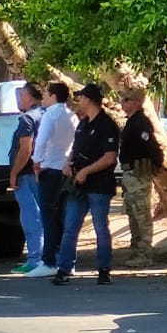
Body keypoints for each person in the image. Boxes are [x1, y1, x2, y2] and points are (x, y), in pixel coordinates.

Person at [52, 84, 120, 285]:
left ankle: (104, 269)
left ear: (89, 100)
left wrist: (86, 171)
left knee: (100, 227)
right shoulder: (82, 124)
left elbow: (110, 157)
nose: (79, 101)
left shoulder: (107, 125)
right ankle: (64, 269)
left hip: (99, 185)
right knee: (70, 226)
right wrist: (69, 164)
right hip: (78, 186)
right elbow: (75, 149)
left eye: (81, 97)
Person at [29, 81, 76, 278]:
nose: (44, 97)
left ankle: (49, 261)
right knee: (64, 218)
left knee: (49, 217)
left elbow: (41, 141)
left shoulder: (50, 115)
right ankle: (67, 261)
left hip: (50, 169)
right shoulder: (72, 115)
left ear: (54, 96)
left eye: (46, 93)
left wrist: (36, 162)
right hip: (65, 169)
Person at [117, 84, 167, 268]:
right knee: (132, 213)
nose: (123, 103)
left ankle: (145, 253)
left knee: (141, 214)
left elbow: (151, 145)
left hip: (139, 174)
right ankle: (136, 249)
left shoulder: (141, 122)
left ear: (137, 102)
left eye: (127, 100)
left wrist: (157, 163)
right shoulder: (131, 121)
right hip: (129, 173)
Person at [8, 83, 46, 273]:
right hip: (44, 172)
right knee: (44, 215)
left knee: (31, 217)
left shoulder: (28, 119)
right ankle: (47, 257)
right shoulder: (47, 114)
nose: (20, 99)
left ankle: (35, 259)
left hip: (27, 174)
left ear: (29, 97)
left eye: (22, 95)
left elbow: (26, 149)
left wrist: (14, 172)